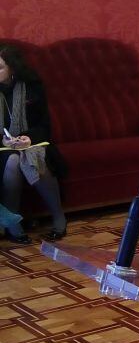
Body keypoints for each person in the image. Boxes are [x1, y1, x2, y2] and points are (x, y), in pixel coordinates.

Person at [0, 45, 67, 244]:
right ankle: (13, 225)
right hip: (3, 147)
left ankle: (58, 217)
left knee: (32, 157)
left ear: (12, 68)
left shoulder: (32, 86)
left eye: (0, 67)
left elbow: (44, 125)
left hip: (32, 142)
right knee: (13, 161)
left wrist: (28, 138)